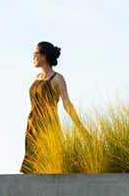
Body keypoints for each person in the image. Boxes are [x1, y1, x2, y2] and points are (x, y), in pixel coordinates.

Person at [22, 41, 84, 173]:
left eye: (35, 54)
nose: (33, 57)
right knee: (31, 166)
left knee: (49, 162)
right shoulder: (37, 77)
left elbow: (67, 104)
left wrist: (81, 128)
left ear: (44, 56)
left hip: (48, 125)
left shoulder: (57, 78)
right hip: (32, 125)